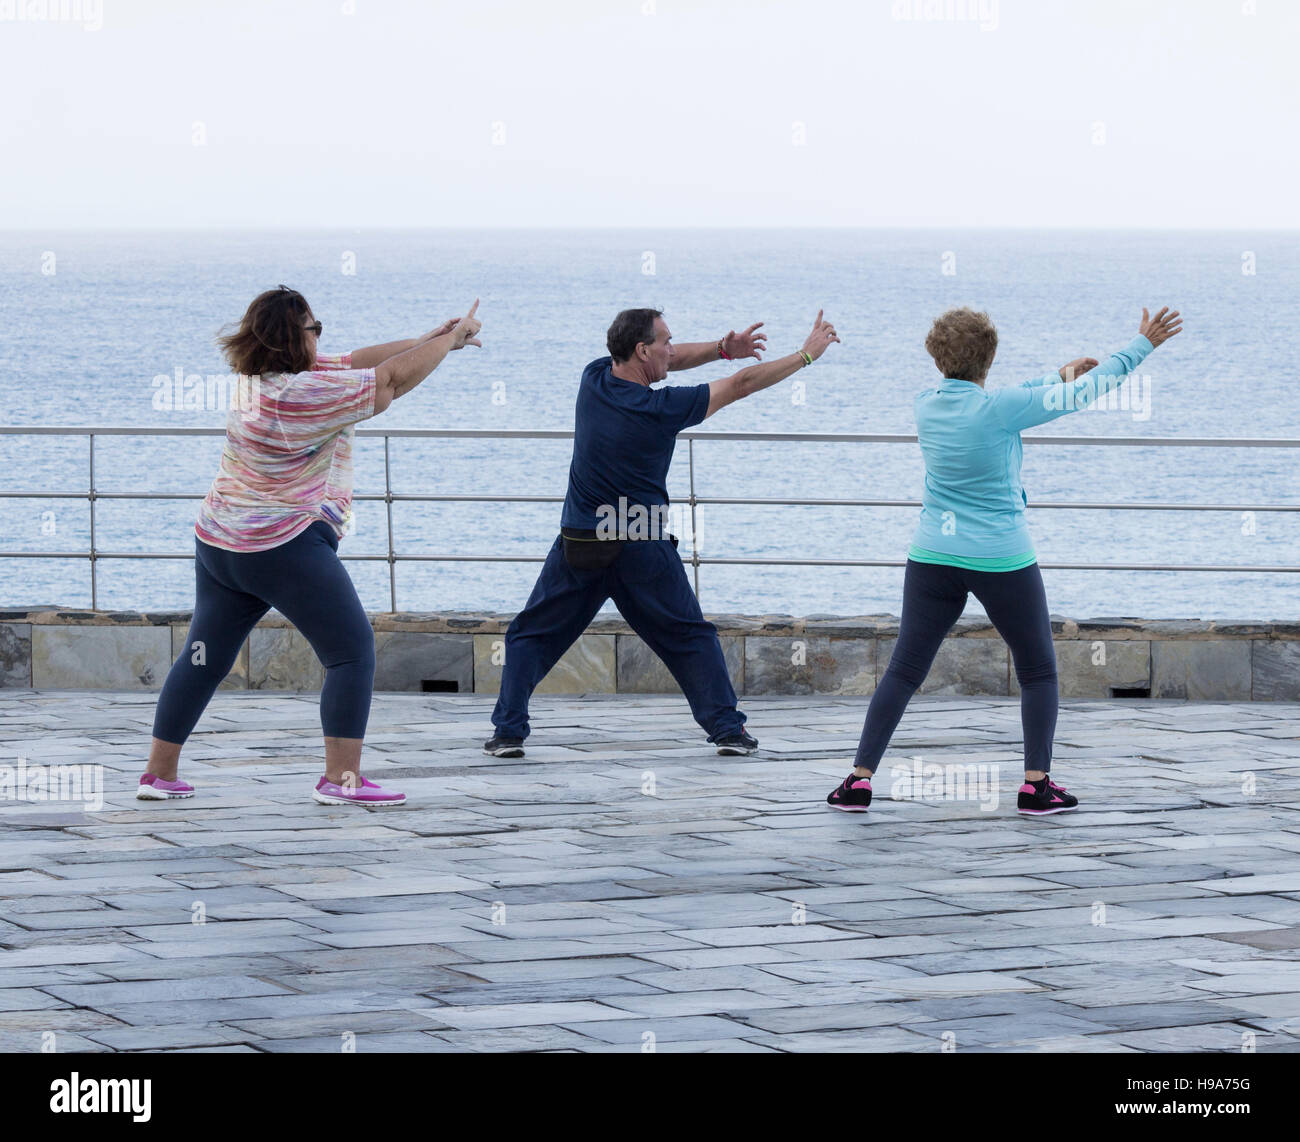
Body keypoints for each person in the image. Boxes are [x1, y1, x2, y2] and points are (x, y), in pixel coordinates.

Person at [827, 305, 1182, 816]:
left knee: (903, 670)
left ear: (937, 358)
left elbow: (1003, 398)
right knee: (1038, 670)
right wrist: (1139, 346)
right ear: (989, 358)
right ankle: (1035, 787)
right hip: (1001, 559)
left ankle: (858, 782)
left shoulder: (925, 404)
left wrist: (1055, 375)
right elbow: (1078, 395)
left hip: (932, 557)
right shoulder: (1000, 409)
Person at [138, 286, 483, 807]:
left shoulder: (259, 381)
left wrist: (436, 338)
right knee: (351, 652)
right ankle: (341, 780)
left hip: (221, 542)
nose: (321, 337)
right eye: (313, 329)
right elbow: (388, 381)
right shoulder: (299, 398)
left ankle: (157, 775)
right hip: (281, 546)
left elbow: (361, 361)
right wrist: (450, 340)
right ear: (289, 338)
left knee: (203, 657)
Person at [485, 308, 841, 758]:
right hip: (640, 548)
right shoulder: (660, 409)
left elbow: (673, 362)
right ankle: (728, 731)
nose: (673, 350)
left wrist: (721, 349)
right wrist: (805, 356)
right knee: (690, 638)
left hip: (582, 543)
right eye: (665, 342)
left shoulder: (593, 378)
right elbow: (742, 385)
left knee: (530, 635)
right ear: (641, 349)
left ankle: (508, 733)